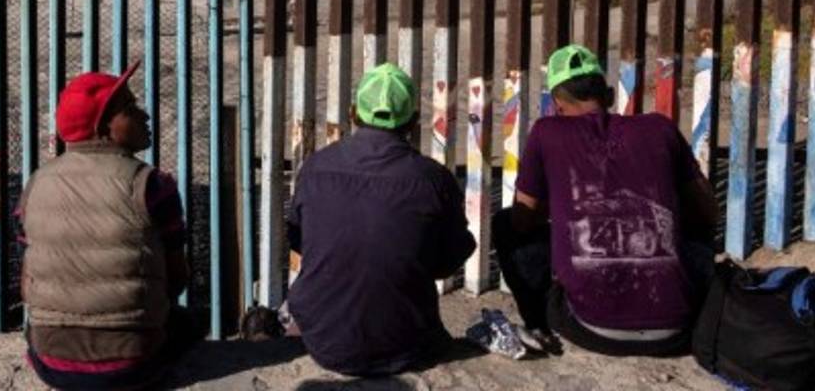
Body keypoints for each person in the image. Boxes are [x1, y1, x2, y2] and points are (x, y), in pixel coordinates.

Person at [495, 44, 718, 357]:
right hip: (677, 328)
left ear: (557, 105)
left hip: (592, 327)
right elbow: (708, 214)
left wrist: (560, 211)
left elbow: (521, 220)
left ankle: (538, 324)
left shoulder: (547, 133)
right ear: (610, 96)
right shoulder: (660, 128)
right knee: (695, 226)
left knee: (504, 224)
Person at [18, 61, 202, 389]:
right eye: (130, 109)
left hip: (51, 363)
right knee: (190, 324)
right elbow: (176, 280)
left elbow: (27, 284)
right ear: (102, 126)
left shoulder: (35, 185)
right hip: (131, 365)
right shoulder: (152, 186)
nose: (144, 116)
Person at [286, 63, 476, 376]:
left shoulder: (316, 167)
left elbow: (299, 241)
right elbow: (449, 259)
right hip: (408, 343)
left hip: (323, 342)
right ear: (414, 122)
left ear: (353, 114)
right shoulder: (433, 180)